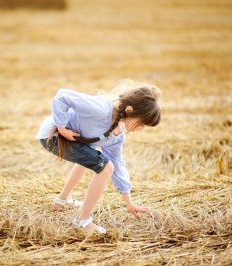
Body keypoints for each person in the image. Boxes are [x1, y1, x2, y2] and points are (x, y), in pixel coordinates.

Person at [35, 79, 162, 234]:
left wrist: (129, 203)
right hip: (53, 136)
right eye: (142, 123)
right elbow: (62, 96)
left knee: (97, 157)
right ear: (130, 110)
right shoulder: (101, 109)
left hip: (71, 140)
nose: (142, 129)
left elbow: (118, 166)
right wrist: (61, 128)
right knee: (105, 167)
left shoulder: (117, 136)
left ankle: (61, 201)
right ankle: (82, 221)